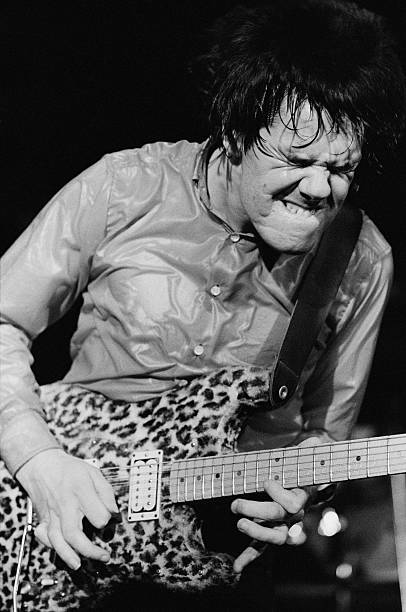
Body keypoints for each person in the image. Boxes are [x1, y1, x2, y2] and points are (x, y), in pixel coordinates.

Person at [1, 0, 405, 610]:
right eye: (296, 160)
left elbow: (325, 436)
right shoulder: (122, 188)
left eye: (340, 167)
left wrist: (302, 488)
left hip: (216, 570)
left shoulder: (362, 259)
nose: (321, 188)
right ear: (236, 134)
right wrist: (39, 462)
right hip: (58, 522)